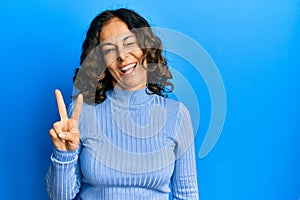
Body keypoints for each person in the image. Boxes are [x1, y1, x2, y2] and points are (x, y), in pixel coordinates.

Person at [46, 8, 199, 200]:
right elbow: (59, 197)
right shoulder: (82, 113)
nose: (122, 56)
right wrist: (64, 155)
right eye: (109, 49)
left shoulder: (176, 115)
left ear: (145, 47)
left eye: (129, 43)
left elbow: (187, 195)